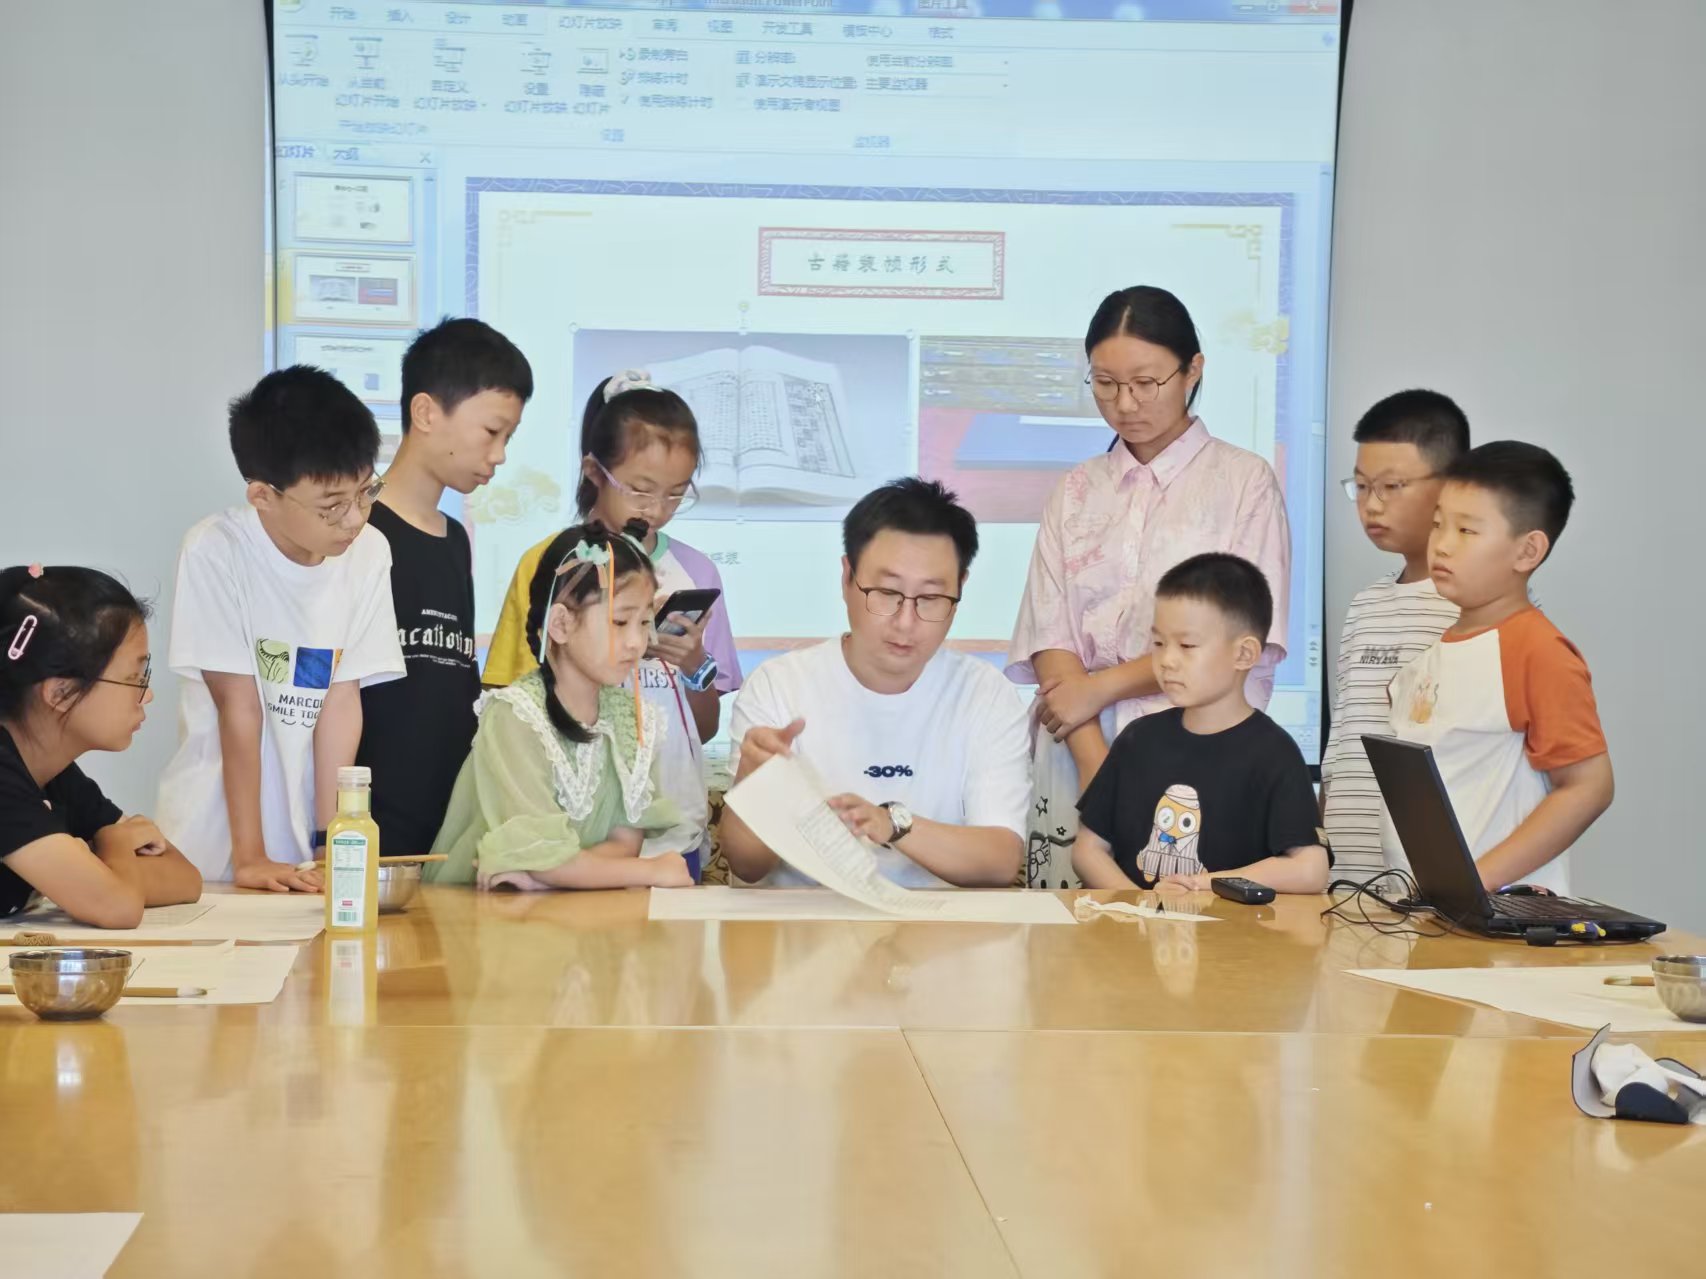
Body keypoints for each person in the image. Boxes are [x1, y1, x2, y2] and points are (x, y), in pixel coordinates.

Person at [1007, 286, 1291, 888]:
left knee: (1187, 926)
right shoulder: (1076, 489)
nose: (1125, 403)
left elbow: (1237, 639)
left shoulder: (1243, 483)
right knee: (1071, 937)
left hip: (1197, 758)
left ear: (1193, 370)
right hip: (1075, 751)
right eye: (1105, 384)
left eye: (1145, 382)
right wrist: (1099, 770)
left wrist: (1098, 688)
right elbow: (1049, 632)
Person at [156, 367, 405, 889]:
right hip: (214, 846)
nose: (355, 518)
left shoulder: (369, 553)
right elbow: (239, 707)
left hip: (296, 852)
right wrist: (251, 856)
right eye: (332, 505)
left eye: (366, 492)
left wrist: (329, 838)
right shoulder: (216, 550)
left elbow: (340, 700)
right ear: (263, 496)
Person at [484, 372, 741, 868]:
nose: (657, 510)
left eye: (676, 494)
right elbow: (511, 714)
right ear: (594, 472)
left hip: (673, 833)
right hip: (571, 835)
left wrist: (694, 665)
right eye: (641, 490)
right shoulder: (551, 564)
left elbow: (704, 729)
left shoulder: (697, 571)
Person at [722, 478, 1030, 889]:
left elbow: (1000, 861)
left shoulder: (986, 695)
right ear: (847, 577)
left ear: (961, 588)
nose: (905, 622)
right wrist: (753, 778)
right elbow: (747, 866)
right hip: (806, 921)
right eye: (886, 592)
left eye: (930, 598)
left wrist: (894, 824)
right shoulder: (779, 687)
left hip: (939, 924)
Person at [1385, 442, 1611, 893]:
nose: (1442, 544)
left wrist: (1474, 882)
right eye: (1437, 524)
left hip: (1500, 919)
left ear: (1527, 551)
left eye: (1467, 530)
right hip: (1423, 913)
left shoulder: (1537, 650)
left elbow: (1589, 787)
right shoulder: (1431, 655)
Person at [430, 520, 694, 891]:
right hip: (479, 910)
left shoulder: (633, 718)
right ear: (560, 624)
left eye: (645, 622)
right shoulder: (515, 715)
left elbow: (623, 844)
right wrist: (654, 871)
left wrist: (548, 878)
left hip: (567, 907)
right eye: (620, 621)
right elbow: (538, 854)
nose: (637, 642)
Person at [356, 317, 533, 856]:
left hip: (449, 829)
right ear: (426, 412)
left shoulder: (455, 540)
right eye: (491, 432)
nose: (499, 454)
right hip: (370, 825)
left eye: (508, 438)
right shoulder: (356, 529)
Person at [1073, 554, 1328, 894]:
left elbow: (1311, 869)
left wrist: (1202, 884)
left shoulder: (1273, 753)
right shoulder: (1138, 740)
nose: (1167, 660)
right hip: (1135, 925)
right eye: (1159, 643)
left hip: (1231, 929)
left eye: (1187, 645)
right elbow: (1088, 850)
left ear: (1244, 654)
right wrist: (1139, 905)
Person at [1321, 390, 1470, 880]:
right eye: (1362, 487)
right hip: (1348, 877)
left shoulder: (1475, 606)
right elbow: (1342, 742)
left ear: (1452, 485)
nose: (1371, 505)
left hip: (1425, 880)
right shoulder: (1367, 604)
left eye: (1391, 486)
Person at [0, 565, 201, 926]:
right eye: (134, 678)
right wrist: (115, 841)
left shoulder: (53, 773)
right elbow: (117, 906)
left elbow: (185, 879)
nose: (147, 695)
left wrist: (90, 867)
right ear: (61, 693)